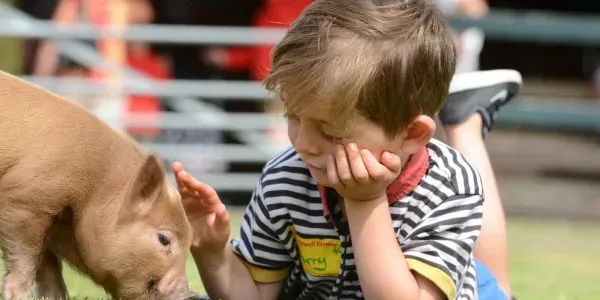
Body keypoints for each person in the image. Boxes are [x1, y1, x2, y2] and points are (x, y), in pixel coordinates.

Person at [173, 0, 521, 299]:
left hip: (456, 286)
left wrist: (365, 202)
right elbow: (258, 294)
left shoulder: (449, 186)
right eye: (293, 116)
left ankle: (465, 122)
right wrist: (213, 253)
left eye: (329, 131)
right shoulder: (287, 177)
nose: (303, 144)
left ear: (411, 133)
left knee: (496, 288)